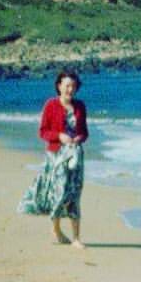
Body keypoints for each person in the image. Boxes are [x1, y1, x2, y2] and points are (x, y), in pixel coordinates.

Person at [17, 70, 89, 248]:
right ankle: (56, 230)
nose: (70, 89)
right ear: (59, 86)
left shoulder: (80, 106)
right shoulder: (51, 105)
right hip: (56, 156)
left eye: (73, 86)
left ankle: (76, 238)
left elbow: (85, 132)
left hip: (75, 157)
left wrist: (79, 138)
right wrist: (59, 136)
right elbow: (43, 132)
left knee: (74, 195)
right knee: (58, 193)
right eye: (67, 86)